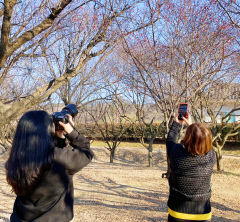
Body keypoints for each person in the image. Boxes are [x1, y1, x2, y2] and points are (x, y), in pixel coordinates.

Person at [5, 110, 94, 222]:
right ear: (47, 131)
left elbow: (48, 152)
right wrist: (71, 131)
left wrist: (60, 137)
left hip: (20, 218)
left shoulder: (17, 158)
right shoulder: (59, 159)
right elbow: (86, 152)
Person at [166, 113, 215, 222]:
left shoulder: (176, 152)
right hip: (203, 213)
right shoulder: (211, 156)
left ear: (187, 137)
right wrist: (193, 126)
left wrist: (177, 124)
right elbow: (202, 140)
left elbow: (170, 140)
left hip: (177, 212)